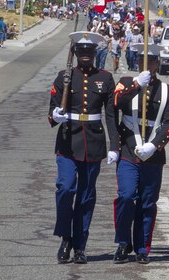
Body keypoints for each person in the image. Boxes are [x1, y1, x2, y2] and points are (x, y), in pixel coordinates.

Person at [48, 31, 118, 265]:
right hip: (68, 141)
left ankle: (80, 245)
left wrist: (114, 146)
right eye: (82, 51)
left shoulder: (105, 78)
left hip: (93, 143)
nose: (85, 56)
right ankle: (65, 237)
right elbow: (52, 110)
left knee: (86, 197)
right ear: (76, 53)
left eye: (89, 52)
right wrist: (55, 115)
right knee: (65, 189)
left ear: (95, 53)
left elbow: (110, 116)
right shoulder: (64, 77)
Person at [111, 43, 169, 264]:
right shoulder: (126, 83)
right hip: (129, 148)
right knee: (127, 196)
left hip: (153, 152)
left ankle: (142, 247)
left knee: (148, 202)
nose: (146, 65)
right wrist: (136, 86)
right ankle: (123, 242)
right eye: (142, 61)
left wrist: (156, 144)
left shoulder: (168, 91)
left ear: (157, 64)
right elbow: (116, 103)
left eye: (151, 61)